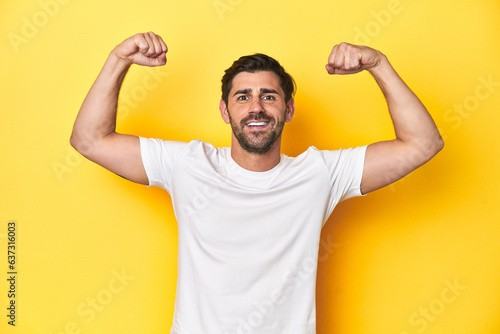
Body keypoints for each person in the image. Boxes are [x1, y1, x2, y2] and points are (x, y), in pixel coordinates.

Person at [70, 32, 443, 334]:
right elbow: (89, 139)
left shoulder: (318, 173)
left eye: (269, 96)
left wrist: (379, 64)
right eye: (242, 97)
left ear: (288, 109)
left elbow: (423, 143)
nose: (256, 108)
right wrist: (118, 60)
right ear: (224, 110)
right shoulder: (188, 164)